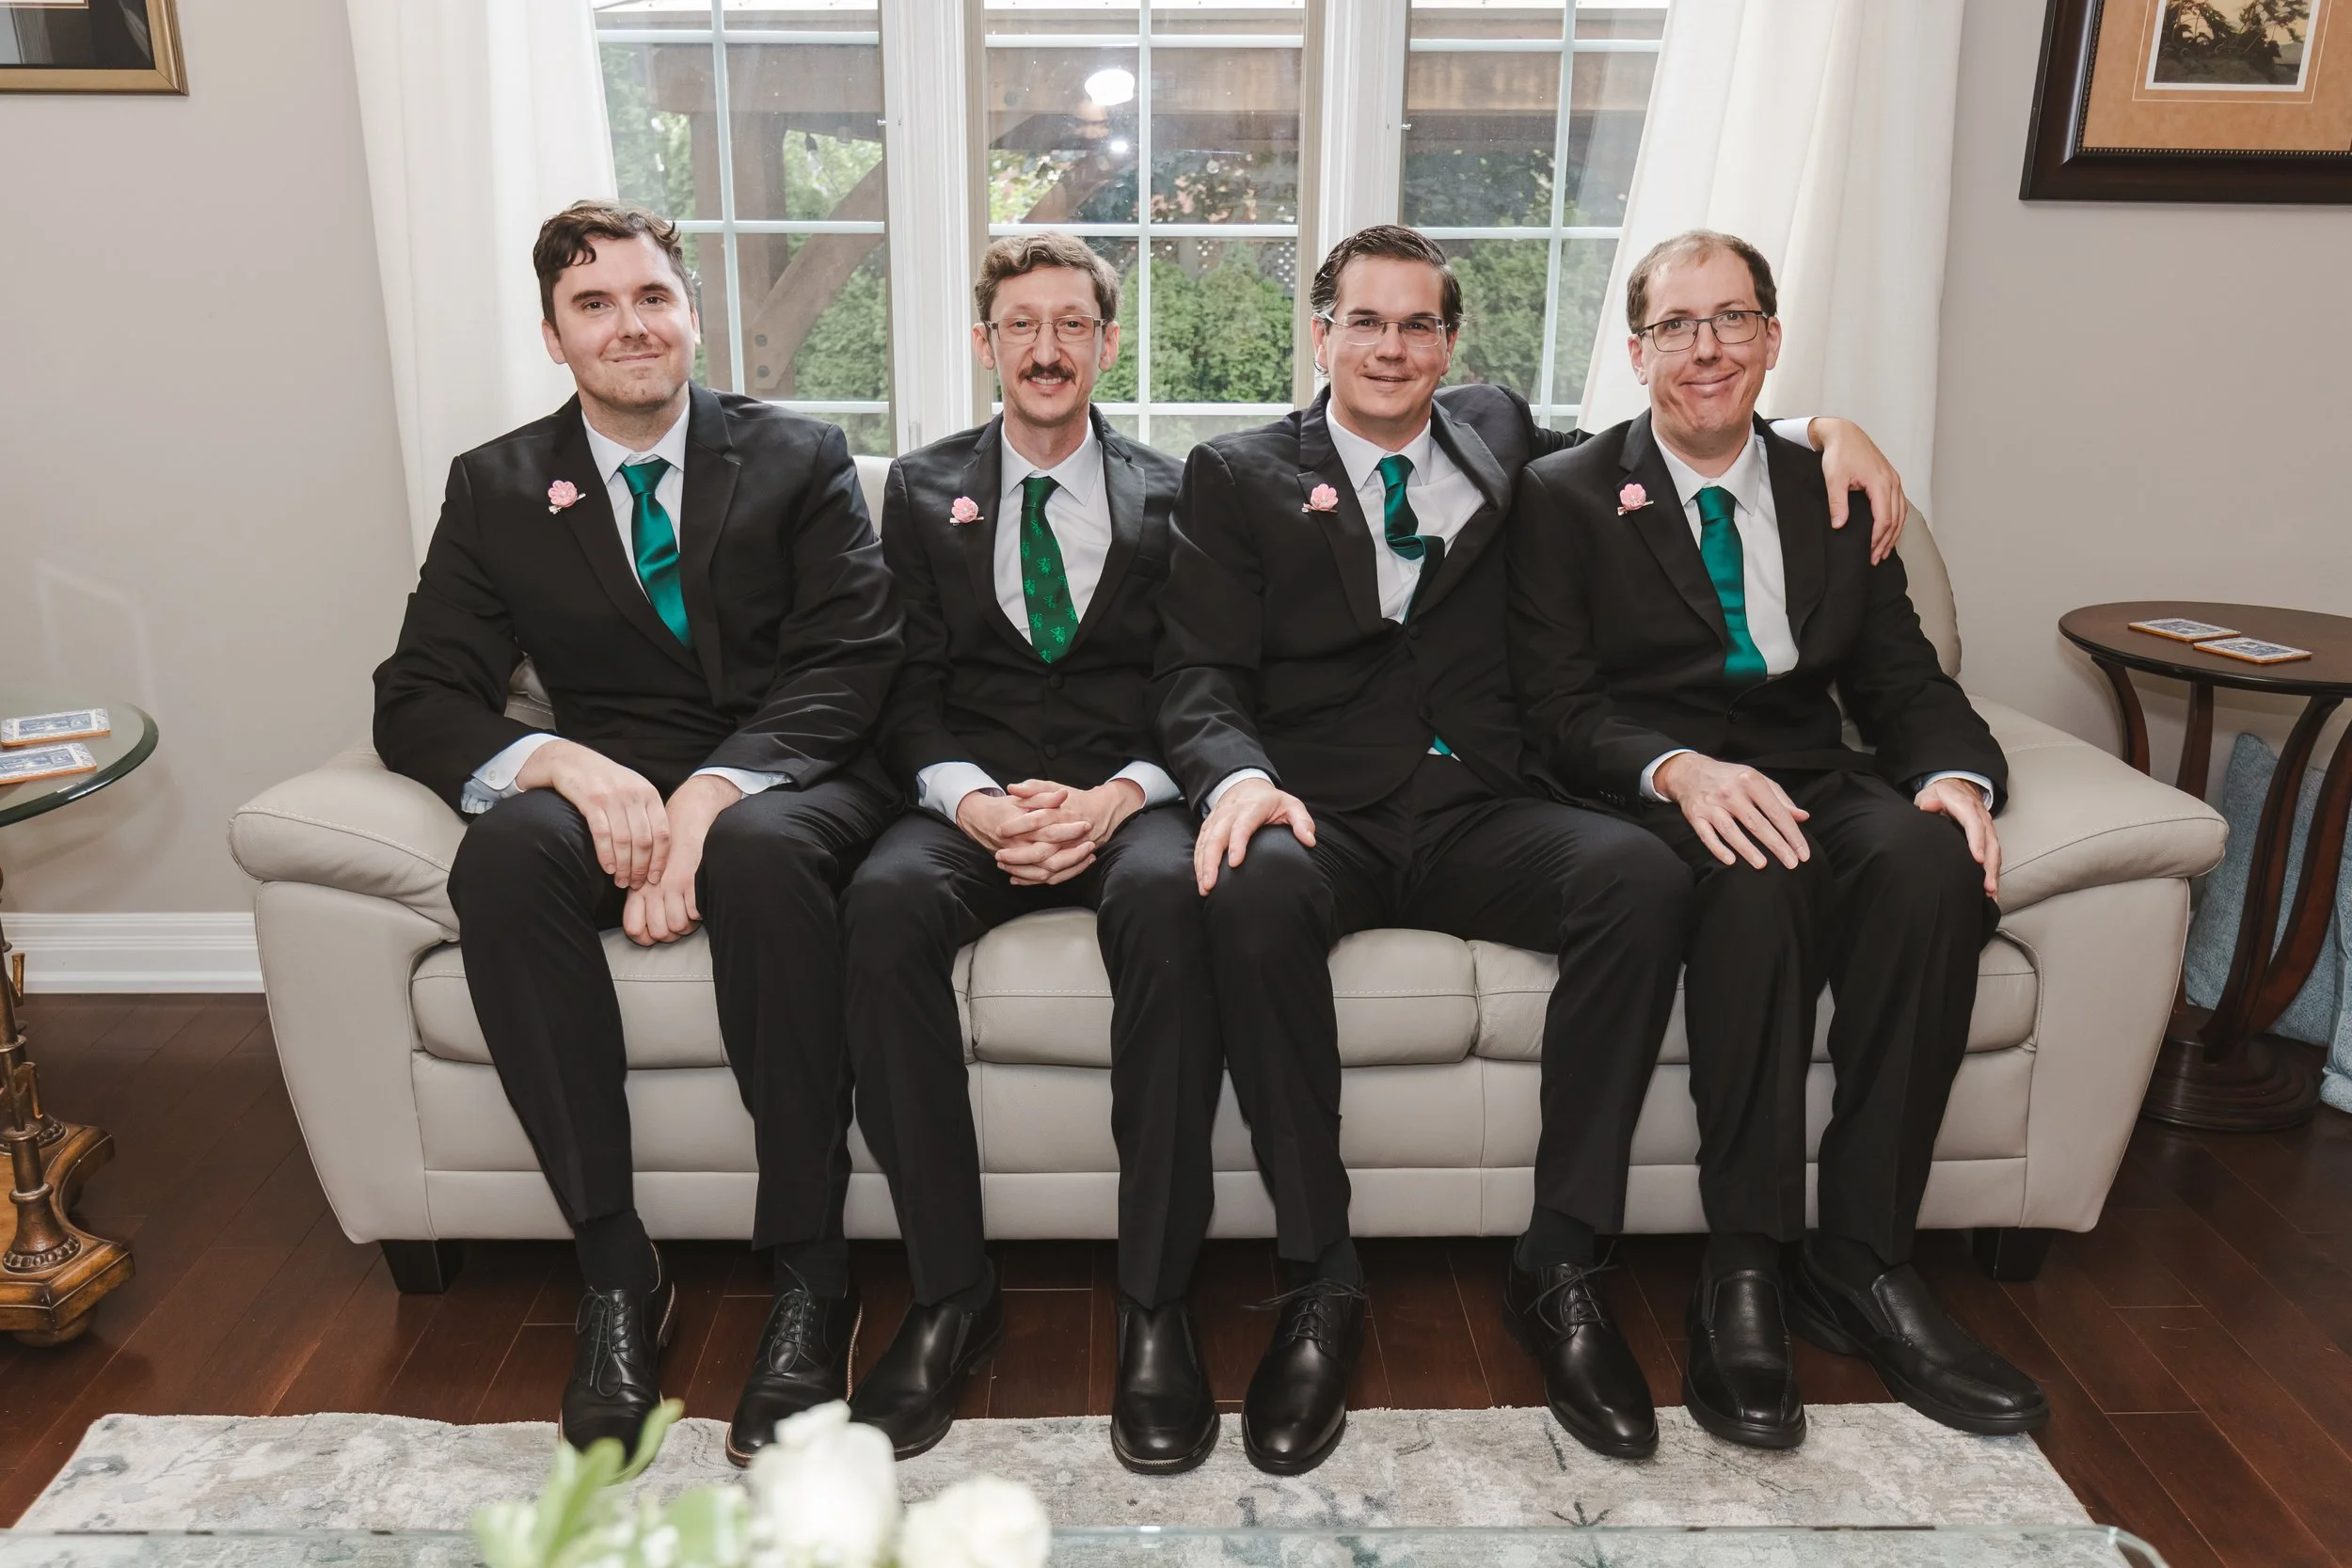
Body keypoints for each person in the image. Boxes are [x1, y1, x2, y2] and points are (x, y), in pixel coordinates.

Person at [1151, 223, 1908, 1474]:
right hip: (1319, 806)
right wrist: (1239, 782)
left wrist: (1828, 429)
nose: (1392, 348)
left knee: (1640, 875)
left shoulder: (1503, 435)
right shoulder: (1235, 474)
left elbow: (1688, 424)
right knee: (1249, 890)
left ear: (1450, 344)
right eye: (1365, 322)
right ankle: (1320, 1276)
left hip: (1477, 798)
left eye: (1419, 324)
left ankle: (1560, 1260)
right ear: (1321, 335)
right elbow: (1196, 672)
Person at [373, 199, 902, 1463]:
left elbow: (851, 660)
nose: (630, 325)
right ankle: (617, 1269)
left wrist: (710, 799)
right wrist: (558, 762)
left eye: (653, 296)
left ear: (693, 314)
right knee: (503, 858)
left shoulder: (799, 456)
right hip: (608, 779)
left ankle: (813, 1272)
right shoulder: (498, 486)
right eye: (594, 304)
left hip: (789, 773)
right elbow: (419, 694)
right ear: (553, 335)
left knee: (763, 859)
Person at [1506, 229, 2048, 1449]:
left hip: (1811, 769)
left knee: (1931, 862)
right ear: (1637, 351)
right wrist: (1676, 768)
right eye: (1678, 326)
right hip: (1670, 787)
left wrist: (1956, 778)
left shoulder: (1830, 489)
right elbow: (1557, 705)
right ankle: (1741, 1264)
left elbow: (1901, 677)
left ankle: (1862, 1262)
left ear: (1771, 337)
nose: (1707, 348)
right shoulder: (1567, 496)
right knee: (1754, 883)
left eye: (1733, 320)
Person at [840, 234, 1221, 1472]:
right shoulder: (918, 489)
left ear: (1107, 343)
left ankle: (1157, 1304)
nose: (1047, 349)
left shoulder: (1184, 491)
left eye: (1072, 325)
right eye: (1022, 325)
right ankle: (950, 1293)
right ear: (985, 343)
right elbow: (901, 690)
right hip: (975, 799)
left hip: (1129, 798)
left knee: (1176, 906)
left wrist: (1119, 798)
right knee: (883, 907)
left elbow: (1202, 681)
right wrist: (972, 804)